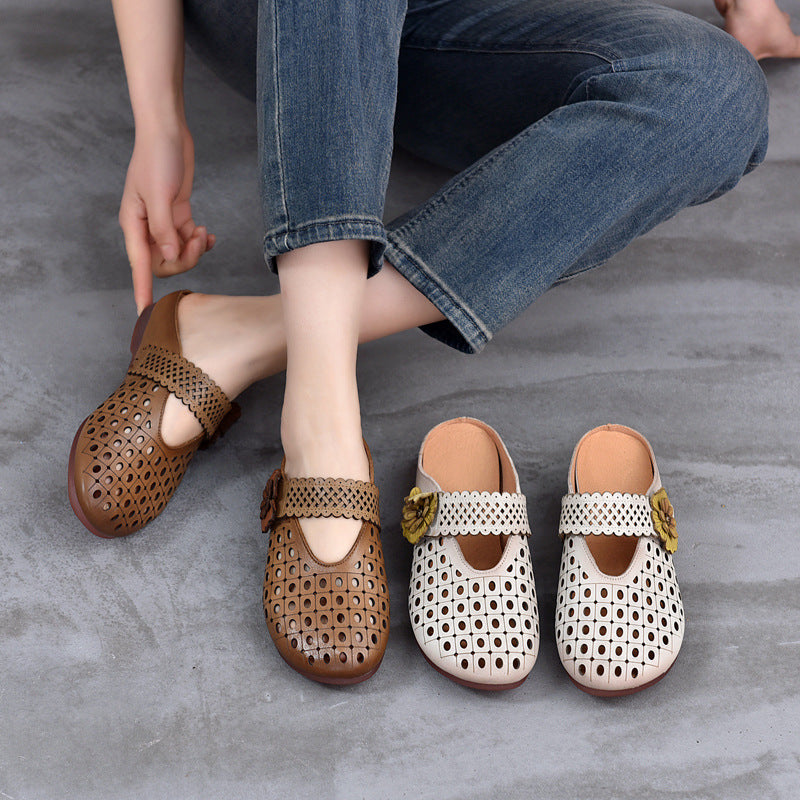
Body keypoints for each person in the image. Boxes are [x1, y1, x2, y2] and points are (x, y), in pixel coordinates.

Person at [69, 0, 768, 682]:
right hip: (287, 23)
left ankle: (246, 335)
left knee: (716, 91)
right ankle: (322, 429)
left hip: (457, 33)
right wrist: (159, 122)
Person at [716, 0, 800, 59]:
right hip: (778, 34)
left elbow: (722, 6)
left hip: (743, 37)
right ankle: (774, 19)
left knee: (736, 62)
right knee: (795, 46)